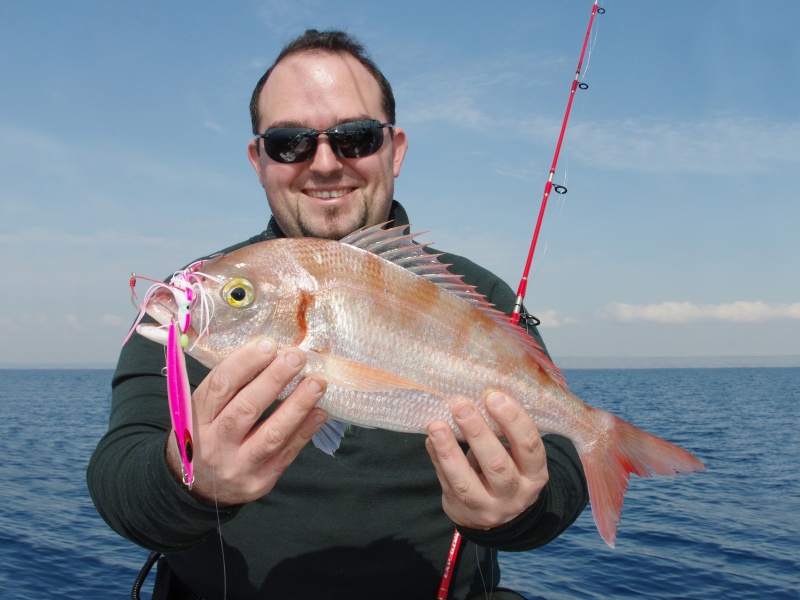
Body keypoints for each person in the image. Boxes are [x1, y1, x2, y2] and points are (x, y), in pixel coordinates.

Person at [87, 29, 588, 600]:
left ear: (394, 148)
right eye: (289, 143)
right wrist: (186, 483)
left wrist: (518, 511)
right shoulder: (203, 293)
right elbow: (118, 477)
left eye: (355, 137)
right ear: (259, 160)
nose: (324, 163)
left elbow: (565, 464)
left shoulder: (479, 294)